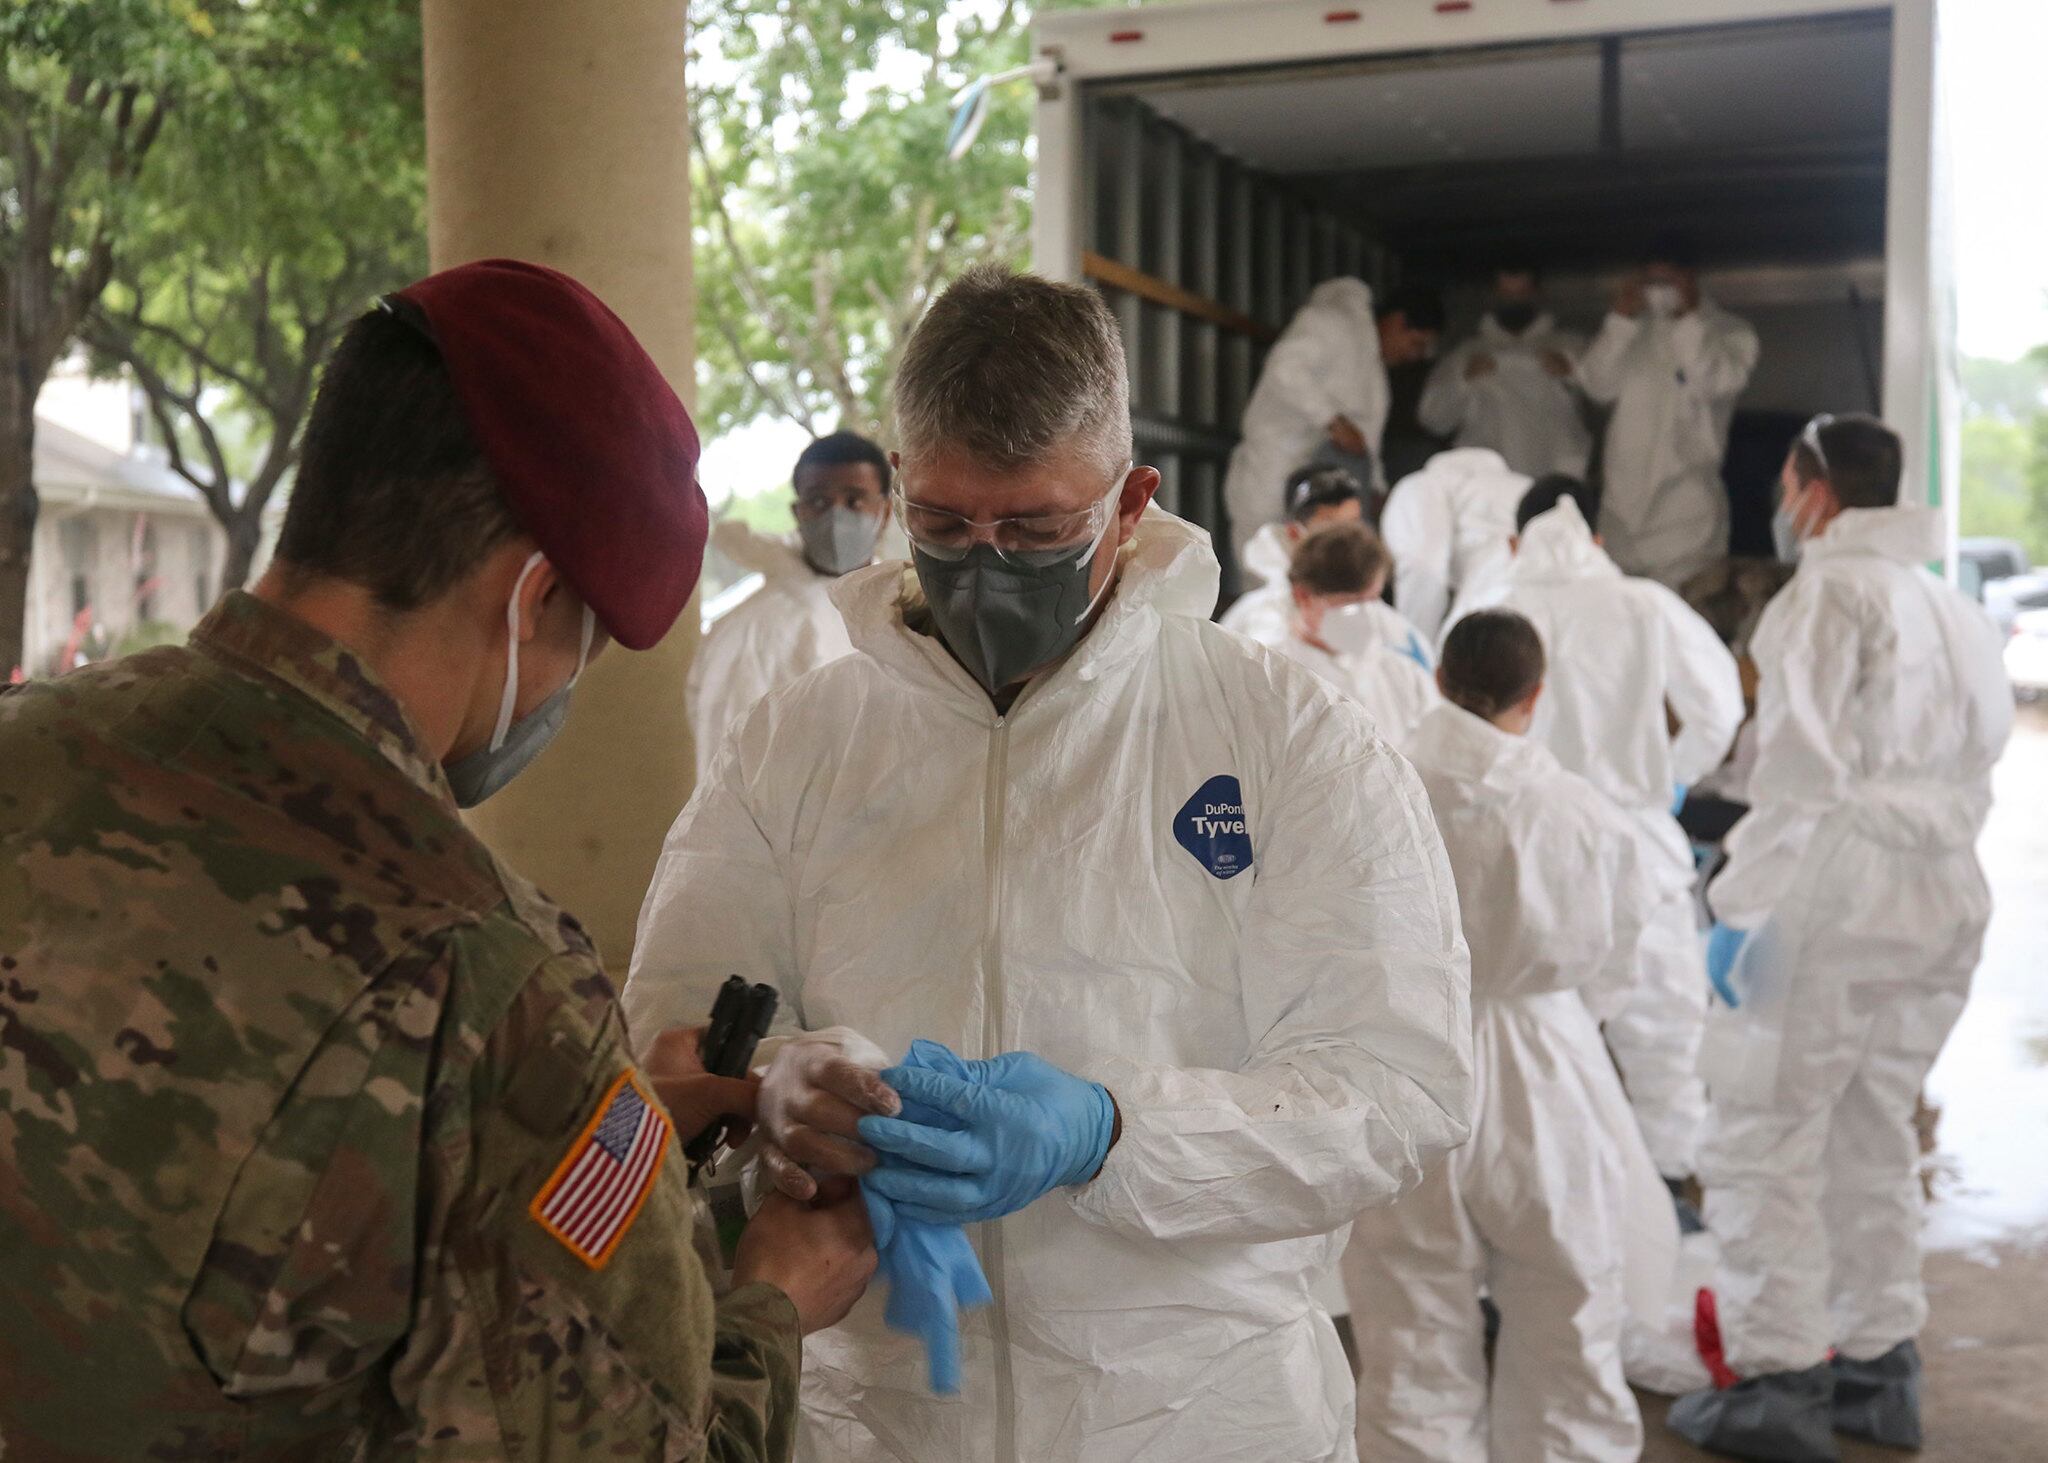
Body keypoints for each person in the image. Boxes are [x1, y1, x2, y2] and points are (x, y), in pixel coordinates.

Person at [0, 260, 874, 1460]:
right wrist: (771, 1294)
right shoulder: (484, 984)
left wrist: (599, 1147)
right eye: (582, 641)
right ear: (533, 596)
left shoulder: (30, 748)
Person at [625, 264, 1475, 1462]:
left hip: (1196, 1410)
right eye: (943, 524)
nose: (984, 563)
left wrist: (1114, 1130)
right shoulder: (802, 737)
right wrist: (775, 1087)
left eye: (1032, 529)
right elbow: (672, 1027)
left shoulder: (1279, 732)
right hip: (880, 1412)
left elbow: (1403, 1085)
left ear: (1130, 502)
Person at [1670, 415, 2012, 1461]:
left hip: (1840, 885)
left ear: (1813, 493)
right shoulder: (1950, 605)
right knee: (1869, 1125)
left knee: (1759, 1126)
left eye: (1785, 483)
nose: (1780, 503)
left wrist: (1743, 912)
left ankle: (1775, 1379)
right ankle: (1879, 1361)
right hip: (1944, 883)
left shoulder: (1824, 594)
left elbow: (1798, 779)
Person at [1343, 609, 1674, 1462]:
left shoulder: (1380, 787)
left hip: (1410, 1058)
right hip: (1547, 1063)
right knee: (1567, 1313)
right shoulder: (1579, 808)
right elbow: (1618, 953)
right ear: (1534, 698)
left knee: (1412, 1327)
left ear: (1440, 680)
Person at [1496, 473, 1743, 1196]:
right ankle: (1669, 1181)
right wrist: (1673, 777)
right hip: (1635, 839)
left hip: (1527, 839)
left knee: (1536, 1028)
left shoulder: (1495, 604)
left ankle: (1546, 1193)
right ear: (1598, 541)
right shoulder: (1644, 603)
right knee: (1663, 1021)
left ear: (1515, 542)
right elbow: (1719, 706)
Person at [690, 431, 891, 776]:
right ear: (798, 513)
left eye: (855, 500)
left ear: (885, 512)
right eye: (819, 501)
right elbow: (727, 773)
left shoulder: (907, 612)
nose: (836, 517)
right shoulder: (750, 632)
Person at [1576, 237, 1759, 589]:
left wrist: (1687, 320)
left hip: (1687, 519)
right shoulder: (1629, 331)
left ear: (1691, 279)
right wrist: (1620, 320)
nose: (1659, 292)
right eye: (1651, 283)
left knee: (1685, 628)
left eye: (1669, 282)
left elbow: (1715, 382)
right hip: (1622, 517)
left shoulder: (1730, 332)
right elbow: (1595, 384)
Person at [1222, 277, 1442, 564]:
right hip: (1271, 467)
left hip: (1317, 488)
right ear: (1398, 322)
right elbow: (1285, 367)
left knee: (1316, 569)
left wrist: (1375, 488)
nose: (1414, 356)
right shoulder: (1332, 322)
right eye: (1415, 343)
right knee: (1265, 564)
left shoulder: (1374, 374)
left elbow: (1366, 439)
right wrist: (1332, 421)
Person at [1221, 464, 1427, 666]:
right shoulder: (1254, 625)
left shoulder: (1397, 634)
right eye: (1330, 529)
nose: (1347, 542)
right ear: (1294, 534)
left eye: (1353, 524)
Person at [1271, 520, 1439, 746]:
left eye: (1373, 598)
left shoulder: (1402, 672)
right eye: (1351, 603)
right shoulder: (1273, 675)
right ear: (1303, 596)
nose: (1367, 615)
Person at [1418, 265, 1592, 479]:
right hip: (1488, 484)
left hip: (1554, 479)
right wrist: (1462, 380)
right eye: (1506, 294)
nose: (1514, 302)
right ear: (1493, 295)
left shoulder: (1571, 347)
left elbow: (1605, 396)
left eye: (1521, 294)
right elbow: (1433, 419)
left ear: (1537, 293)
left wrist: (1571, 372)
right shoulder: (1465, 355)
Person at [1379, 445, 1532, 645]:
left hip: (1495, 578)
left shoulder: (1419, 487)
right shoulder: (1523, 484)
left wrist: (1413, 655)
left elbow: (1424, 572)